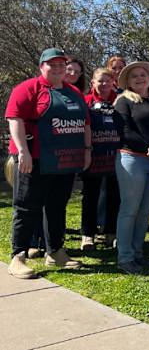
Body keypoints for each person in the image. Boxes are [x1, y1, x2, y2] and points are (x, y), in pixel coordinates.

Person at [6, 48, 88, 278]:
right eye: (52, 64)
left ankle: (55, 252)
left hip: (64, 158)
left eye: (62, 64)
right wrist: (23, 152)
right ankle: (18, 256)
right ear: (42, 66)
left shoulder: (73, 92)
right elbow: (15, 119)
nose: (58, 69)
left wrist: (86, 151)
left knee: (57, 205)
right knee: (26, 206)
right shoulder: (28, 88)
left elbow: (85, 122)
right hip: (34, 159)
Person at [113, 61, 149, 274]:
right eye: (134, 76)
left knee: (145, 210)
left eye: (143, 75)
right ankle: (125, 257)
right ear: (128, 82)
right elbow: (125, 131)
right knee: (130, 210)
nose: (140, 78)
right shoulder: (123, 102)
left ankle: (138, 253)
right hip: (132, 160)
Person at [80, 68, 121, 251]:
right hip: (92, 157)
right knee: (90, 196)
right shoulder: (86, 101)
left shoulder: (121, 100)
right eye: (100, 81)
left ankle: (111, 233)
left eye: (107, 81)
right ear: (93, 83)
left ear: (113, 82)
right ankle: (88, 235)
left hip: (116, 156)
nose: (103, 85)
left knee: (115, 195)